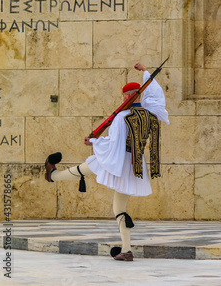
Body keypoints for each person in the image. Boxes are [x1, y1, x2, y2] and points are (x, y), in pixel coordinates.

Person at [44, 62, 169, 261]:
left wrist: (93, 141)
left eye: (124, 96)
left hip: (119, 161)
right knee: (118, 207)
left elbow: (113, 143)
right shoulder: (149, 114)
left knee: (91, 165)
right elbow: (155, 96)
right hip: (136, 165)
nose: (122, 99)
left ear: (128, 97)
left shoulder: (122, 117)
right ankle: (126, 250)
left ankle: (53, 175)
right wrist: (146, 71)